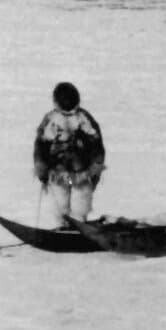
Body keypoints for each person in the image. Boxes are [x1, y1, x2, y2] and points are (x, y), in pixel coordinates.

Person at [33, 82, 105, 227]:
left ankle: (78, 227)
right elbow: (41, 146)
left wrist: (96, 166)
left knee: (79, 205)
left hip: (81, 172)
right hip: (59, 172)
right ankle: (64, 227)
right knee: (61, 204)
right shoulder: (51, 120)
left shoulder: (84, 119)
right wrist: (41, 167)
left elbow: (96, 146)